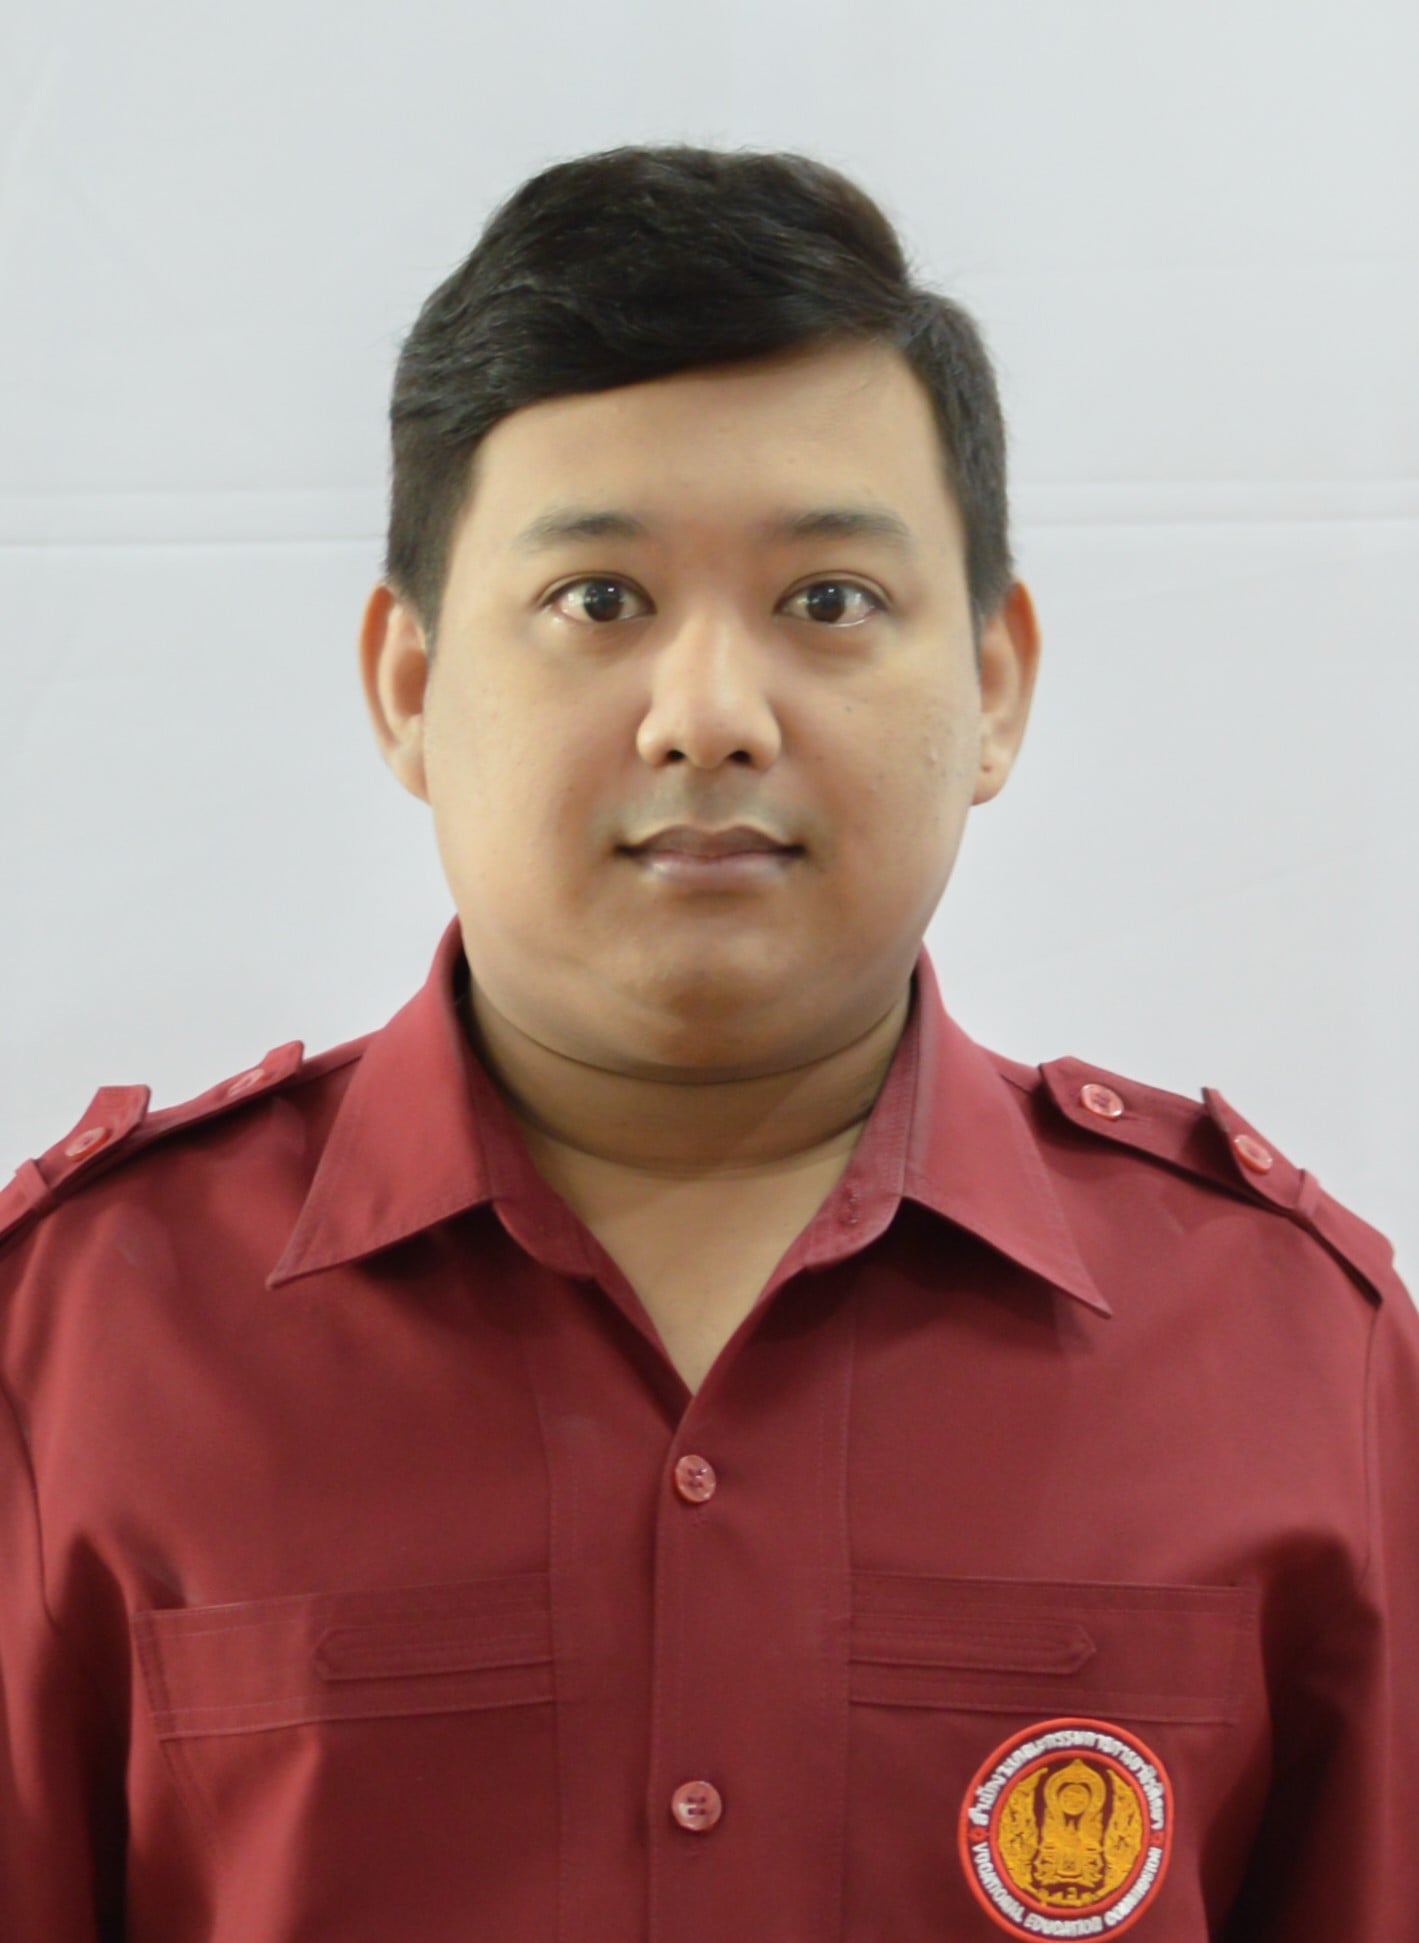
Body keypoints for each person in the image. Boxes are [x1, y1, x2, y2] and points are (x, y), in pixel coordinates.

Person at [1, 142, 1414, 1943]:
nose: (710, 715)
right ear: (411, 685)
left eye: (829, 600)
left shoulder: (1290, 1353)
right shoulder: (78, 1343)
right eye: (600, 600)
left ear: (992, 683)